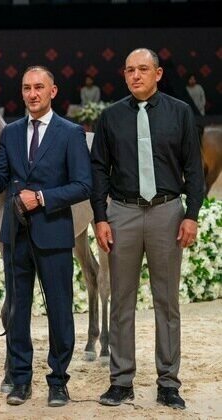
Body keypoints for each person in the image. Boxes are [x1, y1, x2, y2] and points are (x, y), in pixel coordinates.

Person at [0, 66, 92, 407]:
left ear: (53, 91)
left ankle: (58, 381)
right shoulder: (12, 133)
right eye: (26, 88)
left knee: (60, 312)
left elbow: (83, 185)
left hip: (54, 234)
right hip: (15, 235)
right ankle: (20, 380)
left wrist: (44, 198)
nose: (32, 94)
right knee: (17, 311)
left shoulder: (70, 133)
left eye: (38, 87)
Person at [91, 48, 204, 410]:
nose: (135, 75)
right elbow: (98, 171)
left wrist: (192, 214)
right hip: (121, 213)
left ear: (157, 73)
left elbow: (194, 169)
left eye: (143, 69)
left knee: (166, 303)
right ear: (124, 75)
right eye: (129, 70)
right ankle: (121, 381)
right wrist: (100, 217)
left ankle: (168, 383)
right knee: (121, 301)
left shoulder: (180, 112)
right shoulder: (110, 118)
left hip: (167, 213)